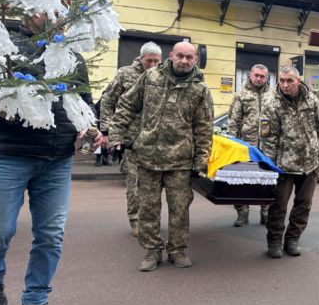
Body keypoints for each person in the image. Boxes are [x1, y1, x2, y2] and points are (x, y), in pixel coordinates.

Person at [0, 14, 102, 305]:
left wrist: (92, 129)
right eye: (47, 11)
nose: (57, 18)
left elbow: (85, 104)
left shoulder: (73, 57)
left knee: (50, 236)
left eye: (59, 11)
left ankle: (35, 302)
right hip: (7, 154)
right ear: (29, 14)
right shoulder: (2, 47)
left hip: (56, 158)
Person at [108, 42, 213, 271]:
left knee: (179, 209)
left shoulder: (200, 89)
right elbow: (126, 105)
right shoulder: (151, 78)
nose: (184, 61)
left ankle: (176, 250)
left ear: (195, 60)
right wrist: (115, 137)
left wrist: (200, 162)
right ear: (171, 56)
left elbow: (204, 129)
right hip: (148, 157)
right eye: (180, 56)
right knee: (148, 208)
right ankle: (152, 250)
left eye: (189, 57)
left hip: (180, 161)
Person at [260, 66, 319, 258]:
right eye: (282, 80)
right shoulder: (271, 103)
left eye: (289, 81)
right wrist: (270, 166)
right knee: (278, 205)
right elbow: (268, 139)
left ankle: (293, 238)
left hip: (309, 162)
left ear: (298, 81)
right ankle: (274, 241)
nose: (285, 85)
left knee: (304, 203)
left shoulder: (312, 100)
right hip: (283, 165)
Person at [99, 42, 162, 237]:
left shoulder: (163, 76)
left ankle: (151, 222)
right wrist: (107, 131)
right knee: (134, 184)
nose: (152, 65)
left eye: (156, 61)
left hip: (156, 141)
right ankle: (135, 220)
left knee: (153, 187)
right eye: (148, 61)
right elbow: (107, 102)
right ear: (141, 58)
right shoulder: (125, 74)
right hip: (131, 140)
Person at [226, 64, 272, 227]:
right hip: (246, 146)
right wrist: (233, 144)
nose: (259, 78)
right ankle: (242, 213)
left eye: (262, 76)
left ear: (267, 78)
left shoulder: (273, 95)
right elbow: (233, 121)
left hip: (267, 147)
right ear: (250, 75)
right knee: (242, 181)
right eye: (256, 75)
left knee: (267, 181)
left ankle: (266, 213)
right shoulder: (240, 95)